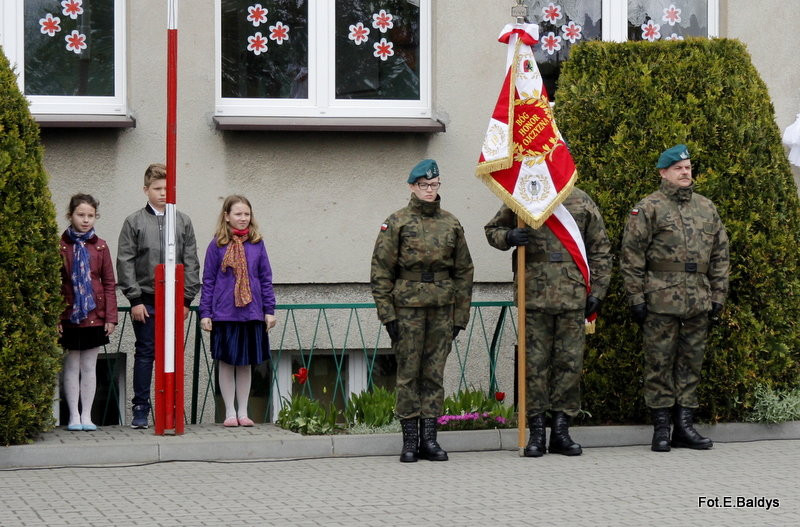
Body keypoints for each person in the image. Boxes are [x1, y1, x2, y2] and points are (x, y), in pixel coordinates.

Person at [485, 188, 612, 457]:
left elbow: (600, 249)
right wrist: (508, 236)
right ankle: (536, 433)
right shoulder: (521, 197)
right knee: (534, 366)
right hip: (533, 295)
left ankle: (562, 432)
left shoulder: (581, 199)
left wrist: (598, 292)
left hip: (572, 295)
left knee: (570, 365)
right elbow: (492, 230)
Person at [620, 144, 729, 452]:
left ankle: (685, 426)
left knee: (691, 364)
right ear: (663, 172)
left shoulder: (706, 208)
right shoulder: (649, 208)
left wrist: (718, 294)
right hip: (660, 299)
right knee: (658, 362)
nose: (685, 172)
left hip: (698, 300)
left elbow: (721, 255)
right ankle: (662, 428)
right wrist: (636, 297)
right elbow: (631, 255)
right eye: (679, 168)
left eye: (689, 167)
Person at [371, 159, 474, 463]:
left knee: (433, 375)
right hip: (407, 309)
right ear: (412, 187)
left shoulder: (451, 223)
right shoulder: (397, 222)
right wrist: (387, 315)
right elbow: (381, 271)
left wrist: (460, 316)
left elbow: (464, 271)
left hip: (442, 308)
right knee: (408, 375)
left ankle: (430, 440)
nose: (430, 190)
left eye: (435, 184)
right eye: (424, 185)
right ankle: (409, 442)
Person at [117, 163, 201, 429]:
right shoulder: (134, 221)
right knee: (146, 353)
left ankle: (174, 407)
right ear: (146, 190)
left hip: (175, 301)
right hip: (146, 300)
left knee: (174, 354)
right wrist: (135, 300)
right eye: (157, 188)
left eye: (167, 188)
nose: (163, 193)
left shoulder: (183, 221)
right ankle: (141, 408)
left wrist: (187, 300)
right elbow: (125, 261)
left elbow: (190, 261)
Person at [199, 195, 277, 427]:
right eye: (238, 214)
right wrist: (206, 313)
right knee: (226, 362)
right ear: (226, 216)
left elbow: (265, 278)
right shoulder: (217, 245)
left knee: (245, 363)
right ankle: (229, 412)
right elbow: (209, 280)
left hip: (251, 311)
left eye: (246, 214)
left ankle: (243, 412)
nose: (243, 218)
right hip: (225, 313)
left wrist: (269, 310)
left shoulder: (257, 243)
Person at [58, 194, 118, 431]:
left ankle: (87, 415)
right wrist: (56, 317)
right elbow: (55, 283)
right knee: (72, 365)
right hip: (70, 314)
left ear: (96, 217)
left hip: (94, 314)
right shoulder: (61, 246)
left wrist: (111, 317)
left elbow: (109, 283)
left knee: (90, 366)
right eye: (80, 215)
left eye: (90, 216)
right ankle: (73, 415)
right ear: (70, 215)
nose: (85, 220)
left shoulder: (100, 246)